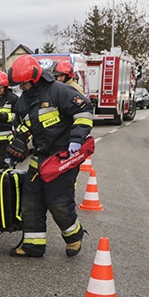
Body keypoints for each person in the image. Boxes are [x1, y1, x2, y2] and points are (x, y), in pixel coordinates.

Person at [6, 54, 94, 258]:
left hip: (62, 157)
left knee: (58, 202)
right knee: (31, 201)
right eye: (19, 84)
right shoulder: (23, 101)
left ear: (35, 77)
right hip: (40, 157)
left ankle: (74, 236)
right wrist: (16, 147)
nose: (22, 87)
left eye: (24, 83)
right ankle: (33, 245)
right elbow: (23, 128)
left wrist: (76, 138)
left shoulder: (59, 91)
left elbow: (84, 110)